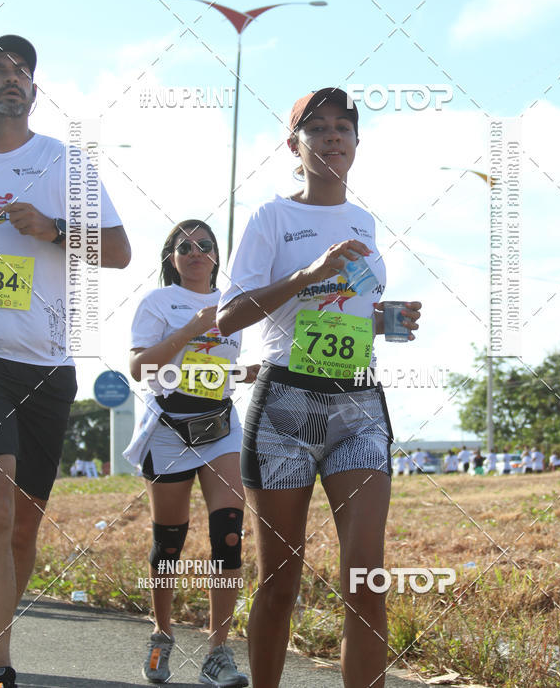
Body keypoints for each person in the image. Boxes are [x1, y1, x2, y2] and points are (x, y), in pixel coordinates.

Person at [217, 88, 421, 688]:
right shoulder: (271, 217)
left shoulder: (364, 220)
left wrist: (386, 319)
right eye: (318, 128)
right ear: (294, 146)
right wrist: (309, 272)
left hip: (357, 402)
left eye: (344, 127)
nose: (333, 135)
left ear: (357, 143)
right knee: (281, 583)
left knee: (366, 576)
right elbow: (229, 318)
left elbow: (345, 311)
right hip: (285, 405)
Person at [0, 34, 130, 688]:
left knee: (22, 530)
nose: (11, 79)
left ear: (35, 88)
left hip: (46, 365)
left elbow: (121, 250)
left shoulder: (63, 164)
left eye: (21, 70)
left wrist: (55, 230)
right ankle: (0, 665)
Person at [125, 220, 257, 686]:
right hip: (168, 429)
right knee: (169, 542)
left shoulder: (235, 303)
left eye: (205, 245)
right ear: (171, 258)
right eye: (185, 247)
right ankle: (161, 634)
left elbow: (221, 372)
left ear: (217, 255)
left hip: (219, 426)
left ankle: (218, 651)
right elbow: (141, 367)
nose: (196, 252)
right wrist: (192, 328)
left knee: (228, 536)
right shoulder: (158, 302)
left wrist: (250, 373)